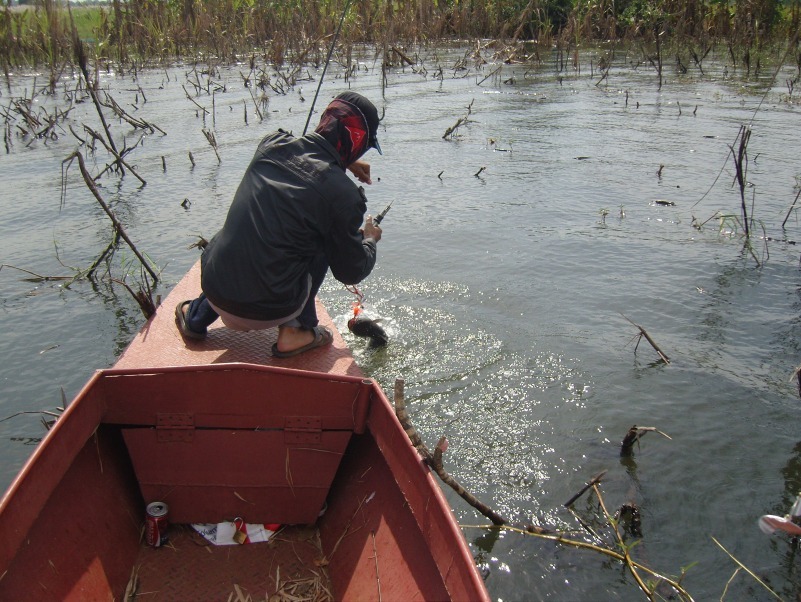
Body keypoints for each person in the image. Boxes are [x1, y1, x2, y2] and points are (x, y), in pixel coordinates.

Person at [175, 91, 383, 357]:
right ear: (358, 141)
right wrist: (369, 239)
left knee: (255, 219)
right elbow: (351, 272)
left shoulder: (270, 144)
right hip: (268, 310)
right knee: (321, 238)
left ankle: (196, 316)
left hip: (215, 287)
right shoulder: (344, 195)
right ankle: (296, 331)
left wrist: (346, 162)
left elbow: (307, 148)